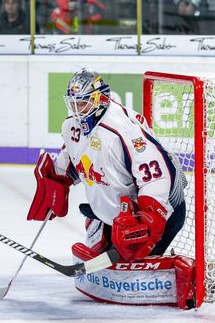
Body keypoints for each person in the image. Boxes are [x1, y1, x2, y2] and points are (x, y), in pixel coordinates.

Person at [27, 69, 188, 305]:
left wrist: (149, 216)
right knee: (112, 261)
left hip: (155, 214)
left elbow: (159, 175)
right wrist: (58, 180)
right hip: (114, 213)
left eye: (82, 104)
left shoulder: (124, 131)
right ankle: (100, 225)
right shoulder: (72, 126)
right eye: (73, 104)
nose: (76, 110)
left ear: (100, 100)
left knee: (133, 268)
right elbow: (77, 158)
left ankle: (128, 241)